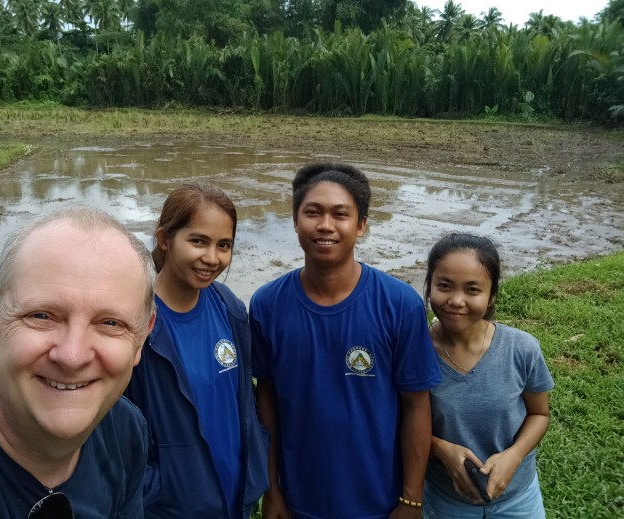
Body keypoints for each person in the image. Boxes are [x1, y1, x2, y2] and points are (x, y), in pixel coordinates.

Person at [0, 206, 157, 518]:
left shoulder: (126, 430)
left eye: (110, 323)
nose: (72, 357)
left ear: (141, 338)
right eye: (41, 316)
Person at [250, 162, 442, 519]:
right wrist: (272, 489)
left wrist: (411, 499)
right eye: (312, 212)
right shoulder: (267, 304)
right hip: (297, 500)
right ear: (295, 221)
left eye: (341, 214)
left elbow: (417, 405)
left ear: (362, 225)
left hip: (379, 502)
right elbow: (267, 399)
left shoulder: (399, 305)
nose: (325, 225)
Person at [124, 182, 268, 518]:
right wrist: (158, 490)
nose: (212, 258)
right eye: (198, 241)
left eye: (224, 245)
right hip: (174, 508)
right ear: (165, 239)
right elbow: (110, 429)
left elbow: (243, 399)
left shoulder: (229, 307)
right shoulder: (133, 322)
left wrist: (258, 460)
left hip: (236, 500)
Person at [422, 233, 554, 518]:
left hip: (518, 499)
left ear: (491, 294)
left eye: (472, 290)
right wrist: (440, 448)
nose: (456, 300)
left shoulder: (521, 349)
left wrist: (514, 455)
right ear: (429, 287)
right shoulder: (413, 352)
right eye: (444, 286)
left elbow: (540, 415)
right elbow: (399, 419)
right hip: (447, 501)